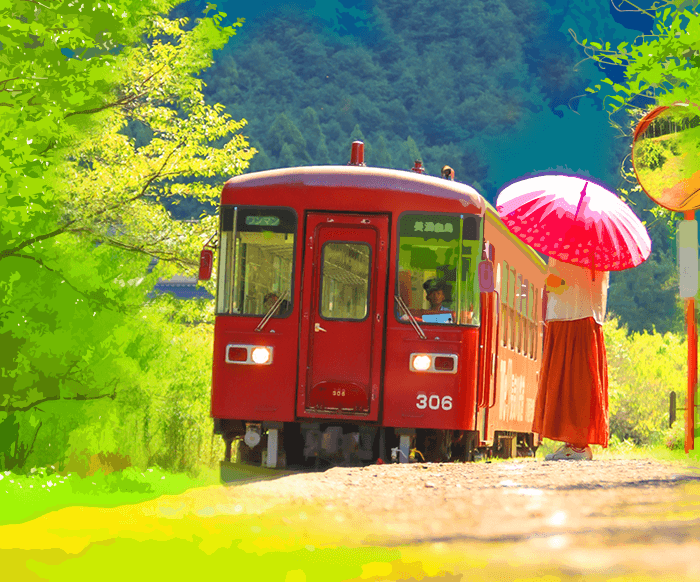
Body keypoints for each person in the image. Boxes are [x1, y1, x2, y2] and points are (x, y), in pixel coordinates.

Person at [532, 258, 610, 461]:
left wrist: (550, 280)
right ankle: (574, 442)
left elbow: (557, 283)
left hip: (570, 317)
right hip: (583, 316)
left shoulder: (568, 249)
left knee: (571, 381)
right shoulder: (598, 252)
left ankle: (577, 444)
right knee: (578, 381)